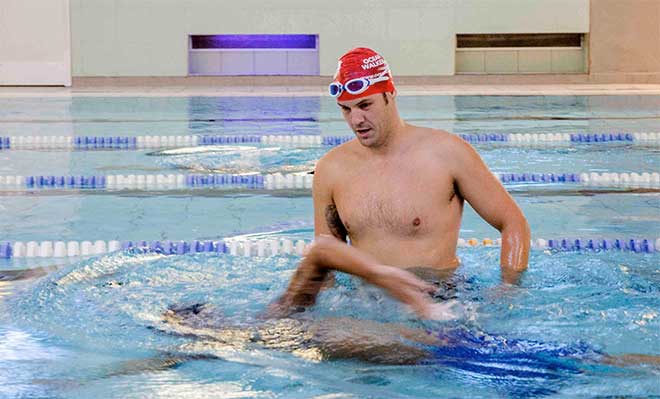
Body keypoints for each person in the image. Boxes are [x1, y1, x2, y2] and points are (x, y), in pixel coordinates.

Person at [272, 47, 531, 318]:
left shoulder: (446, 153)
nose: (356, 120)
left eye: (365, 105)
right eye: (345, 110)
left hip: (439, 301)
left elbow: (513, 221)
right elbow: (326, 260)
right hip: (367, 305)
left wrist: (508, 292)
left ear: (389, 95)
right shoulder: (331, 169)